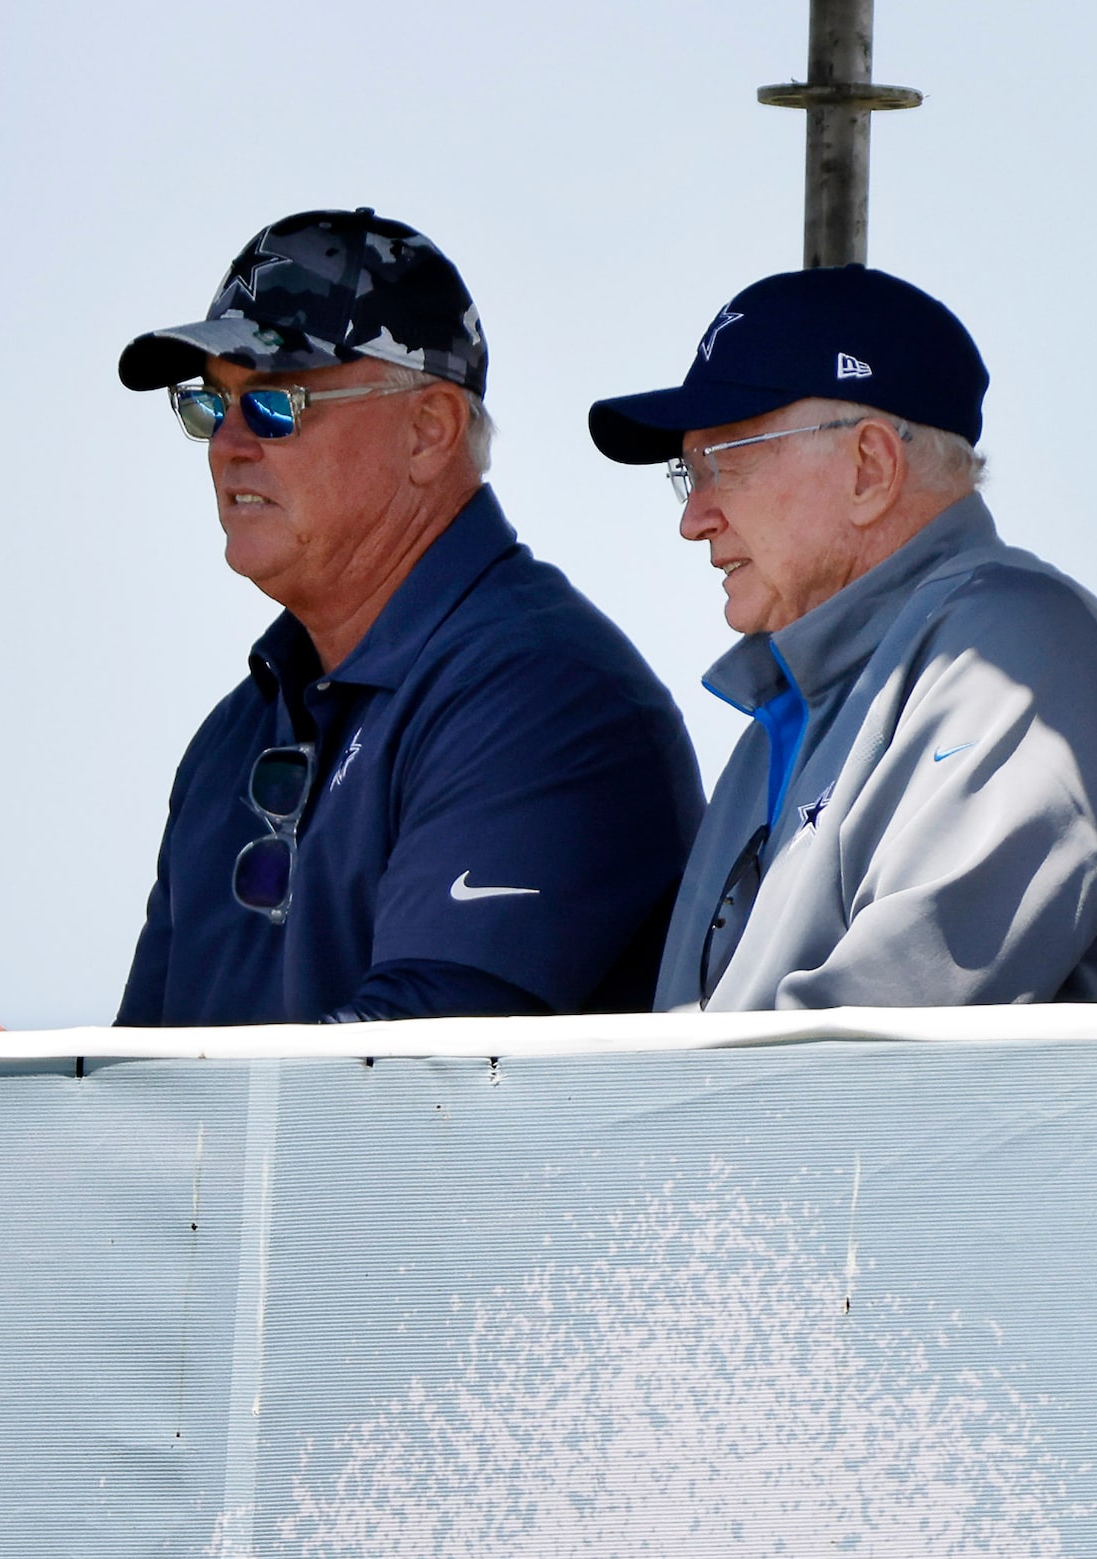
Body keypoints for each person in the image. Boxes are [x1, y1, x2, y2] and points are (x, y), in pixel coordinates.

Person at [106, 208, 703, 1027]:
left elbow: (408, 1093)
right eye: (211, 404)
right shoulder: (230, 739)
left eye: (275, 402)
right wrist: (8, 1088)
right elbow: (147, 1080)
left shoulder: (546, 694)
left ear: (429, 431)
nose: (229, 444)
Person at [589, 266, 1097, 1010]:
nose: (692, 518)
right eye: (685, 473)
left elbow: (880, 1052)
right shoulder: (788, 709)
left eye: (722, 463)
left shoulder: (1019, 650)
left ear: (869, 468)